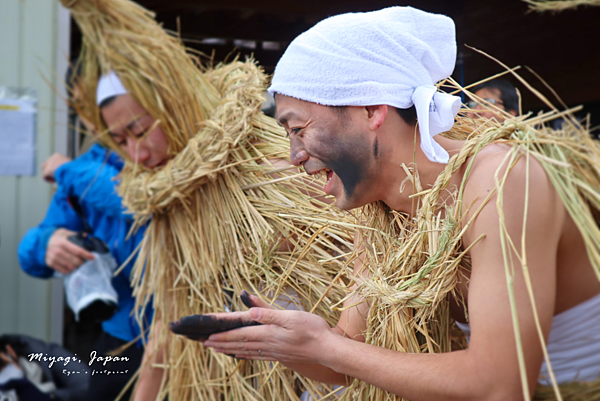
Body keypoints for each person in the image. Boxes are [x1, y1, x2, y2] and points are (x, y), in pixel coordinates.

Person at [201, 7, 600, 401]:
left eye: (299, 129)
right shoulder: (382, 218)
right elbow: (341, 357)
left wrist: (327, 346)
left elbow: (502, 385)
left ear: (372, 109)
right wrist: (280, 340)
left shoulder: (501, 180)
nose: (295, 155)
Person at [62, 0, 352, 400]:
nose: (137, 154)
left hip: (331, 374)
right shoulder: (168, 209)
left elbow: (356, 264)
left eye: (140, 130)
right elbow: (166, 333)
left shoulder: (277, 167)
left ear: (175, 104)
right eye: (120, 141)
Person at [17, 70, 149, 401]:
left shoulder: (173, 156)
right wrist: (45, 244)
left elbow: (136, 199)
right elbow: (31, 255)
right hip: (118, 339)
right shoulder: (89, 166)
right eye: (81, 104)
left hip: (185, 340)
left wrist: (66, 170)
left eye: (96, 100)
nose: (91, 116)